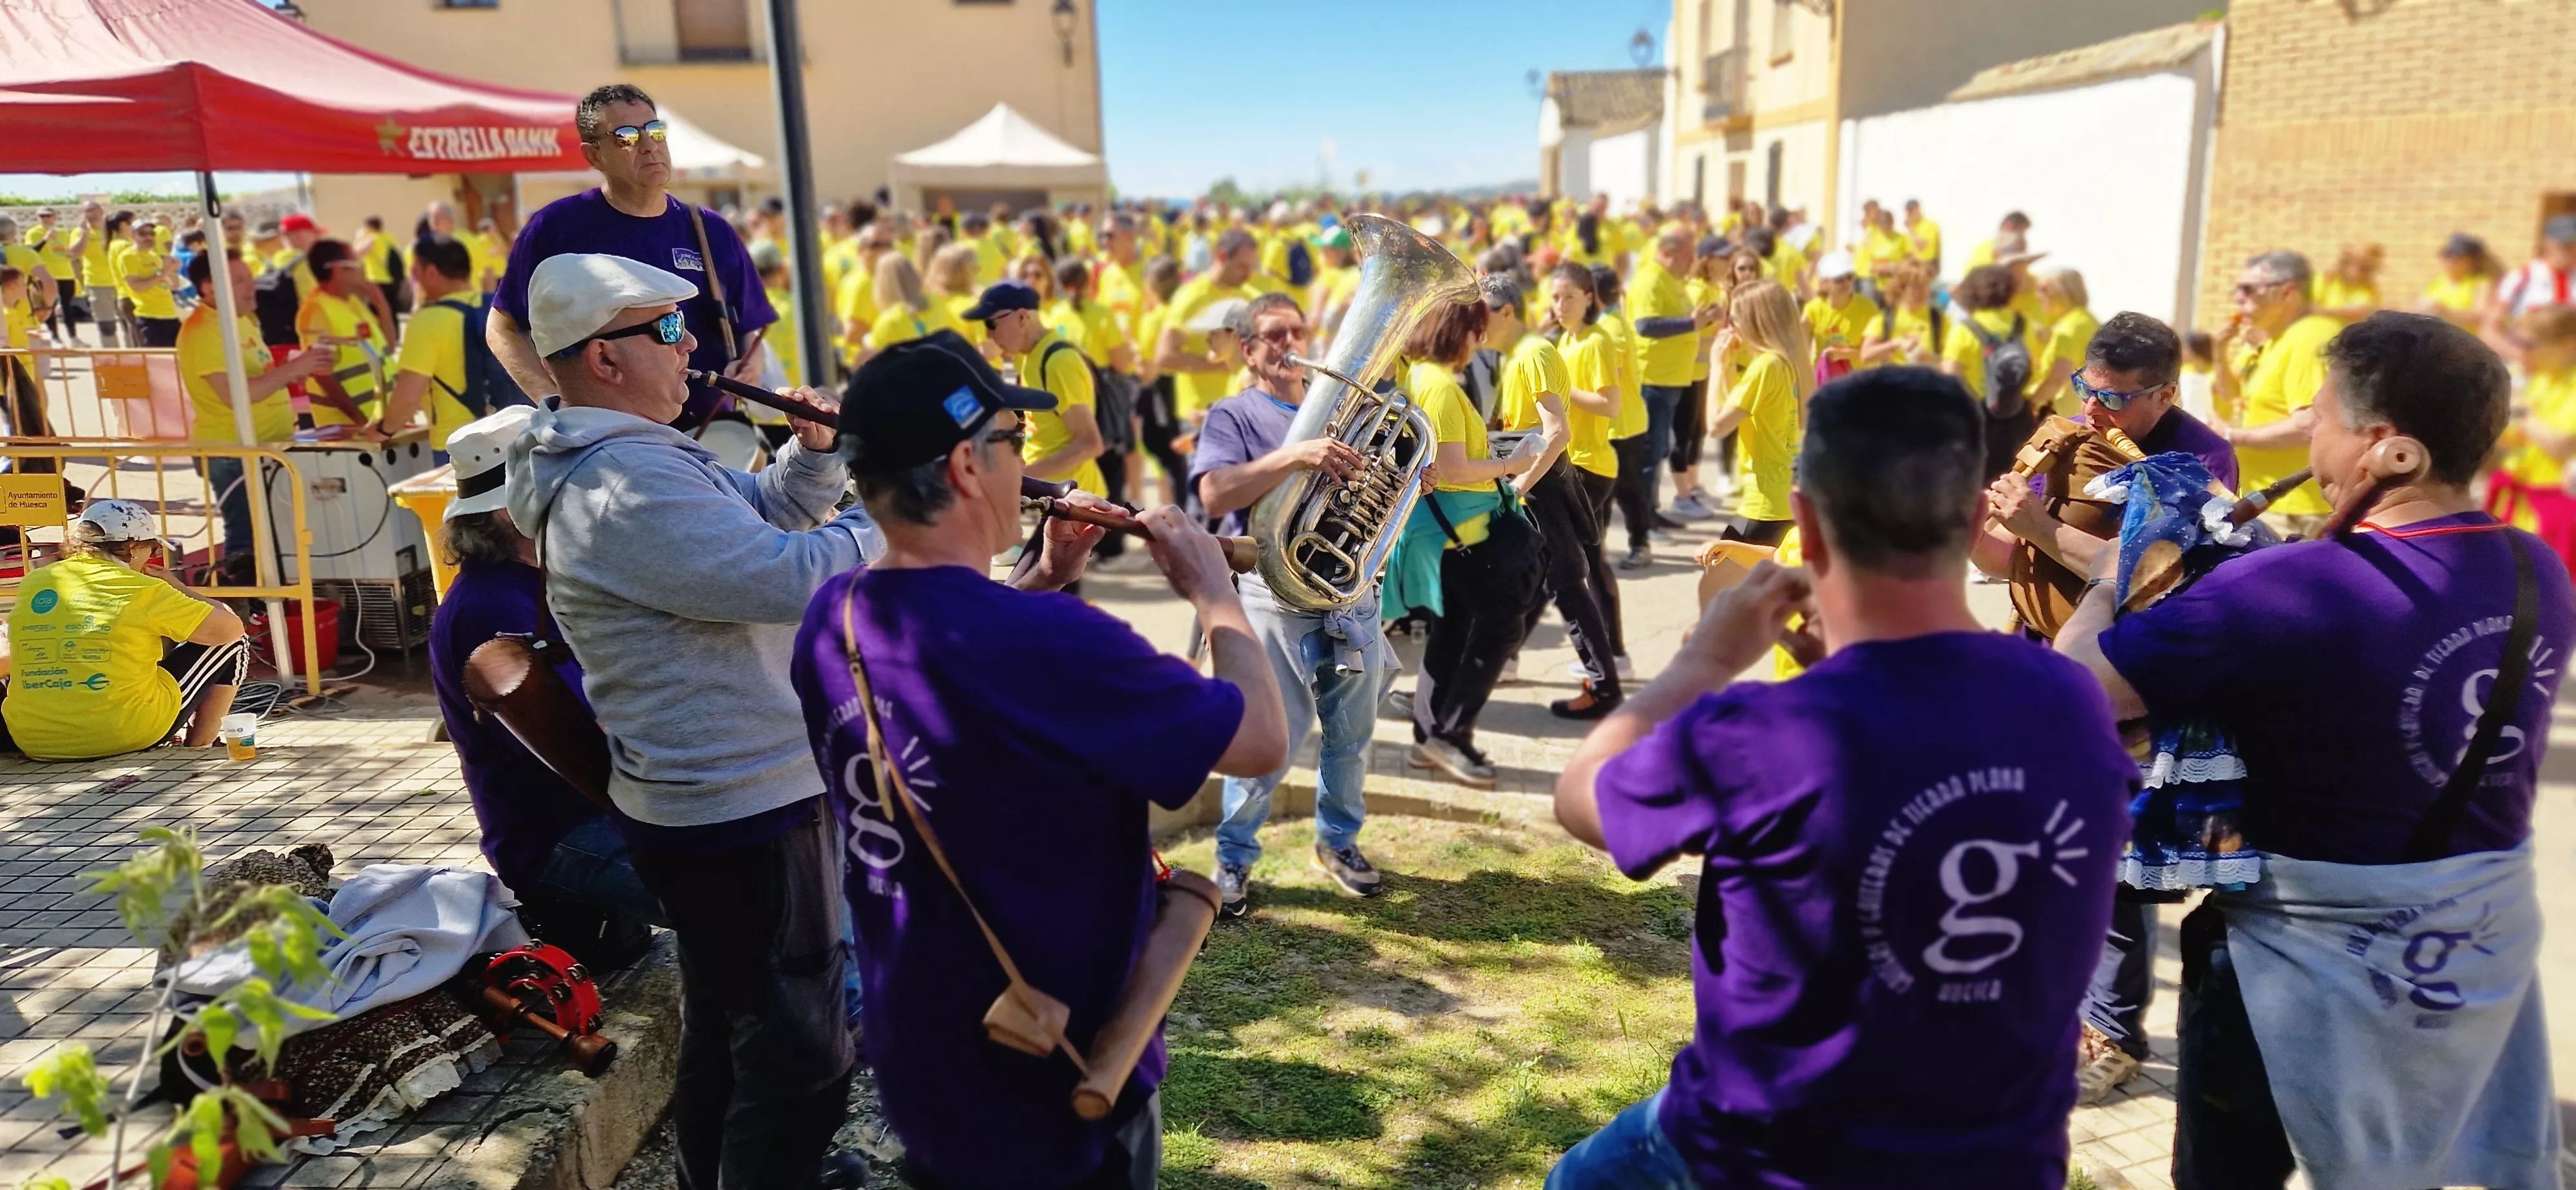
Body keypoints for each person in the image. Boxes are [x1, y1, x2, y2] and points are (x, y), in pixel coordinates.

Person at [1547, 366, 2132, 1189]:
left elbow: (1582, 799)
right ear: (1976, 520)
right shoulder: (2070, 703)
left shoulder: (1764, 734)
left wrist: (1704, 661)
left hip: (1765, 1161)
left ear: (1806, 527)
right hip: (2001, 1162)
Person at [2054, 313, 2568, 1190]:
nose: (2307, 441)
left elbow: (2081, 687)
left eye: (2318, 420)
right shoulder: (2537, 568)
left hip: (2291, 977)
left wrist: (2107, 583)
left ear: (2386, 447)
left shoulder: (2289, 585)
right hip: (2468, 959)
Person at [790, 333, 1286, 1190]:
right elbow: (1260, 740)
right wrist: (1215, 593)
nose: (1026, 464)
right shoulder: (1053, 644)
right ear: (965, 466)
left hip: (924, 1045)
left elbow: (962, 674)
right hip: (1051, 1071)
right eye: (1014, 442)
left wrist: (1042, 577)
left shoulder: (836, 612)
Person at [504, 252, 878, 1190]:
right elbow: (796, 580)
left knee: (730, 1027)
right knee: (800, 1053)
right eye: (669, 329)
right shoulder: (621, 484)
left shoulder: (644, 457)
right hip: (737, 801)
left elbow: (772, 519)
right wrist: (909, 512)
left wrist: (813, 454)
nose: (692, 347)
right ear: (603, 358)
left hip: (727, 794)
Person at [1188, 292, 1390, 914]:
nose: (1289, 344)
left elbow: (1375, 491)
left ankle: (1339, 843)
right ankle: (1234, 856)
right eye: (1274, 335)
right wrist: (1294, 456)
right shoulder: (1234, 414)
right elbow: (1214, 492)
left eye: (1297, 332)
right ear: (1248, 351)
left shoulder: (1349, 409)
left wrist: (1406, 480)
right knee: (1268, 738)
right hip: (1273, 595)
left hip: (1350, 595)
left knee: (1351, 739)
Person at [427, 406, 665, 930]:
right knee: (736, 893)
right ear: (508, 511)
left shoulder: (548, 573)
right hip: (559, 835)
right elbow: (590, 740)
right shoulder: (488, 607)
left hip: (606, 811)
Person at [491, 84, 774, 431]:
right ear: (594, 156)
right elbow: (503, 328)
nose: (649, 145)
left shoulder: (709, 229)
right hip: (608, 439)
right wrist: (557, 406)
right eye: (627, 137)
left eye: (655, 131)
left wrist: (749, 367)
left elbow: (749, 330)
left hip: (712, 433)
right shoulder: (557, 227)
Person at [1383, 298, 1555, 782]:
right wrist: (1513, 464)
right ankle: (1450, 735)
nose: (1480, 341)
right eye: (1475, 330)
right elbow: (1454, 469)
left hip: (1448, 528)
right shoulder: (1437, 384)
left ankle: (1431, 739)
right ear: (1455, 332)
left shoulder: (1423, 376)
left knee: (1455, 629)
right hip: (1462, 529)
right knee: (1498, 629)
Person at [4, 500, 253, 761]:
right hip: (123, 733)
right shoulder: (143, 587)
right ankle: (200, 746)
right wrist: (178, 587)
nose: (151, 556)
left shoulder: (36, 580)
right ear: (133, 548)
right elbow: (230, 627)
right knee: (236, 642)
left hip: (33, 739)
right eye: (152, 548)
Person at [1486, 277, 1620, 720]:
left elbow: (1557, 432)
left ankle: (1605, 689)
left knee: (1567, 588)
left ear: (1507, 313)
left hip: (1543, 490)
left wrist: (1518, 487)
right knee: (1530, 587)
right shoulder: (1514, 356)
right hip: (1532, 487)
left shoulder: (1534, 353)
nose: (1473, 325)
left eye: (1480, 314)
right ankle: (1479, 673)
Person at [179, 250, 332, 563]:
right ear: (209, 288)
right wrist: (291, 370)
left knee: (273, 536)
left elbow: (260, 378)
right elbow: (234, 396)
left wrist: (297, 370)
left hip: (265, 448)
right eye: (239, 280)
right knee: (246, 540)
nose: (252, 286)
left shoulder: (242, 321)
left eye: (250, 277)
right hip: (232, 453)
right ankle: (242, 592)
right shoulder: (204, 331)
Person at [2211, 250, 2340, 536]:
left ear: (2288, 292)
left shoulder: (2310, 339)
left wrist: (2232, 436)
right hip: (2264, 501)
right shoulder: (2270, 338)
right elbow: (2232, 394)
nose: (2238, 299)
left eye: (2249, 290)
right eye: (2237, 290)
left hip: (2295, 509)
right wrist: (2220, 350)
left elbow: (2310, 425)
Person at [969, 280, 1106, 498]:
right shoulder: (1029, 355)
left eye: (992, 324)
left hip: (1074, 504)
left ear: (1022, 318)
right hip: (1049, 497)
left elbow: (1090, 443)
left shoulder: (1059, 362)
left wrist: (1026, 476)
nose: (989, 335)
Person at [1627, 226, 1722, 527]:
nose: (1693, 262)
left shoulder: (1672, 280)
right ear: (1668, 253)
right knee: (1649, 453)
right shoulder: (1651, 279)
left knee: (1658, 451)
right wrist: (1691, 324)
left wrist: (1702, 321)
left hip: (1670, 380)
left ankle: (1651, 512)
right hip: (1653, 378)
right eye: (1688, 256)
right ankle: (1643, 521)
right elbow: (1645, 326)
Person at [1706, 279, 1813, 547]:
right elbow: (1744, 410)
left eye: (1735, 319)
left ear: (1755, 322)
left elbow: (1717, 426)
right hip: (1785, 496)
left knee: (1717, 568)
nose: (1732, 328)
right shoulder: (1788, 361)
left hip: (1764, 505)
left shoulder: (1765, 366)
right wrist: (1729, 366)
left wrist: (1716, 367)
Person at [2486, 305, 2576, 567]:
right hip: (2520, 499)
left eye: (2530, 345)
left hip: (2558, 505)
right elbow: (2515, 442)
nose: (2521, 353)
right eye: (2518, 343)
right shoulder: (2538, 380)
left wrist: (2521, 412)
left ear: (2567, 346)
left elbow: (2561, 447)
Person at [377, 236, 482, 450]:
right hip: (507, 436)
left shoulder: (428, 319)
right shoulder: (495, 307)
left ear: (432, 273)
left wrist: (383, 430)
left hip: (456, 444)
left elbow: (408, 396)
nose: (413, 279)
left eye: (415, 271)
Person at [1942, 263, 2043, 480]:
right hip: (2017, 412)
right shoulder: (2024, 324)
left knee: (1977, 481)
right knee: (2014, 479)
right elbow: (2033, 365)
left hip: (1976, 415)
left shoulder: (1965, 329)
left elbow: (1950, 377)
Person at [1159, 229, 1267, 424]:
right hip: (1200, 417)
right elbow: (1165, 357)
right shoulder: (1191, 298)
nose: (1248, 275)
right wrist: (1224, 362)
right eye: (1242, 267)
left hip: (1241, 415)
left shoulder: (1251, 298)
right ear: (1222, 256)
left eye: (1252, 267)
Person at [294, 238, 392, 431]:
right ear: (339, 270)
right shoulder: (317, 310)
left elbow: (388, 346)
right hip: (349, 428)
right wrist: (361, 422)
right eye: (356, 264)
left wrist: (382, 306)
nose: (362, 270)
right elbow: (322, 375)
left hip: (380, 421)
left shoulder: (353, 303)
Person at [2486, 212, 2576, 363]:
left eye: (2574, 244)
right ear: (2547, 243)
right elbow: (2489, 330)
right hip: (2528, 368)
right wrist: (2520, 357)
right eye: (2565, 244)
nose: (2572, 249)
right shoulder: (2522, 277)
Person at [1801, 250, 1878, 386]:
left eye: (1850, 277)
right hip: (1824, 382)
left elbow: (1874, 351)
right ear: (1824, 282)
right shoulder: (1813, 309)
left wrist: (1841, 354)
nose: (1846, 283)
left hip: (1860, 382)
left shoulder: (1868, 308)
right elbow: (1801, 350)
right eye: (1839, 279)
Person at [2033, 269, 2100, 417]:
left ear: (2063, 292)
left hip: (2071, 416)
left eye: (2044, 289)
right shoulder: (2085, 319)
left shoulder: (2069, 329)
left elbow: (2058, 378)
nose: (2038, 296)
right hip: (2086, 410)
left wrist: (2029, 405)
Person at [2416, 232, 2499, 332]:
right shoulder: (2436, 282)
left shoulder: (2480, 283)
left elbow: (2481, 316)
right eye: (2448, 256)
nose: (2452, 261)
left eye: (2458, 257)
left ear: (2471, 261)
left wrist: (2447, 313)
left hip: (2464, 338)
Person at [2311, 243, 2382, 325]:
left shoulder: (2371, 290)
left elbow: (2361, 313)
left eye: (2367, 268)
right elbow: (2310, 308)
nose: (2362, 272)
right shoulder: (2324, 280)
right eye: (2359, 265)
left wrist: (2326, 311)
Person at [1962, 209, 2032, 272]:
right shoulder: (1998, 249)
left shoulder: (1983, 247)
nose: (2023, 238)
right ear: (2010, 226)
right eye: (2022, 233)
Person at [1904, 198, 1941, 274]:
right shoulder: (1911, 229)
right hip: (1914, 266)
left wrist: (1911, 229)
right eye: (1908, 212)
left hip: (1927, 265)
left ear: (1918, 210)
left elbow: (1922, 247)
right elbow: (1908, 253)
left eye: (1912, 211)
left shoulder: (1929, 225)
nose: (1910, 215)